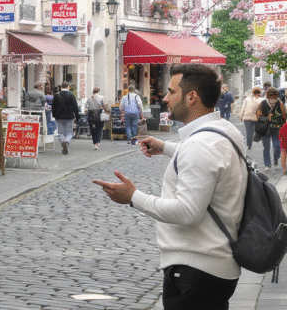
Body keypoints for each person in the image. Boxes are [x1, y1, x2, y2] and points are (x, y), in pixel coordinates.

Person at [92, 64, 247, 310]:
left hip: (196, 268)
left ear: (191, 97)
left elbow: (188, 212)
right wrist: (165, 147)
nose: (165, 98)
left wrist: (133, 197)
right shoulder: (223, 131)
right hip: (212, 266)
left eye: (172, 92)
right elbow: (209, 161)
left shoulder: (200, 145)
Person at [255, 87, 286, 172]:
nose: (272, 96)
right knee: (267, 147)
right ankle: (267, 164)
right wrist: (266, 117)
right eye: (270, 95)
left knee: (277, 146)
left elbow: (284, 115)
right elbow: (258, 114)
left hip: (276, 128)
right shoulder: (263, 102)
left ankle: (275, 160)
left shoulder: (279, 103)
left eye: (273, 95)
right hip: (266, 128)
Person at [51, 81, 78, 155]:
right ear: (68, 86)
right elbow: (75, 106)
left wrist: (54, 114)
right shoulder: (71, 95)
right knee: (69, 132)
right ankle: (67, 141)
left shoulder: (56, 95)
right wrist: (77, 115)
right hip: (69, 116)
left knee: (60, 132)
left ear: (61, 87)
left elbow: (53, 106)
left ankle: (63, 142)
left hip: (59, 116)